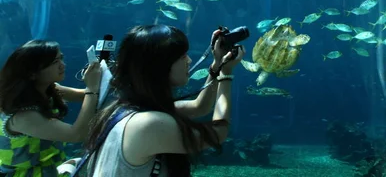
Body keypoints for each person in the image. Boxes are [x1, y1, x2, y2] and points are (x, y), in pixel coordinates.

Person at [84, 25, 245, 177]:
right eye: (182, 56)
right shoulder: (149, 124)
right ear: (160, 65)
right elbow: (218, 134)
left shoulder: (123, 110)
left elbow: (199, 107)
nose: (189, 60)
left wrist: (218, 63)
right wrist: (226, 73)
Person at [0, 40, 102, 176]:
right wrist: (92, 87)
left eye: (61, 58)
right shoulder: (22, 115)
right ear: (32, 73)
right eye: (55, 62)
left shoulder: (49, 89)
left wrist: (102, 79)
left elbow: (85, 97)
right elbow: (77, 134)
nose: (62, 65)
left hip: (51, 170)